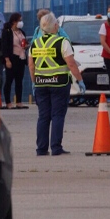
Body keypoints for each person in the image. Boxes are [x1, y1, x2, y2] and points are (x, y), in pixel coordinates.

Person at [28, 13, 86, 156]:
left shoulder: (35, 43)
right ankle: (56, 147)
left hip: (41, 84)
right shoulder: (62, 42)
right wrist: (80, 80)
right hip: (59, 84)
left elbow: (31, 66)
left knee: (43, 116)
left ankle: (41, 149)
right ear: (55, 26)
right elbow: (71, 64)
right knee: (58, 115)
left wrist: (34, 82)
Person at [0, 12, 28, 109]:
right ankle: (8, 102)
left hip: (21, 58)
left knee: (19, 81)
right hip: (12, 58)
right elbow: (5, 47)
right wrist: (7, 60)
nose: (21, 22)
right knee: (9, 80)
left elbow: (24, 43)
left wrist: (26, 46)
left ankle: (19, 101)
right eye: (20, 20)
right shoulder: (7, 32)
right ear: (14, 21)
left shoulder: (22, 32)